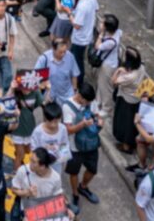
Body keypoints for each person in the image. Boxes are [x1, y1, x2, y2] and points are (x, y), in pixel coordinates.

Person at [63, 80, 103, 212]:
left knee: (92, 170)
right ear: (80, 96)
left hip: (91, 143)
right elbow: (68, 130)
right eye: (87, 102)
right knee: (74, 172)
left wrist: (100, 121)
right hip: (75, 147)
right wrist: (82, 124)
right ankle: (75, 193)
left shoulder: (91, 101)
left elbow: (97, 115)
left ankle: (83, 187)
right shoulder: (67, 106)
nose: (89, 104)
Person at [112, 46, 149, 153]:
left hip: (126, 100)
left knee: (124, 123)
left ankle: (126, 146)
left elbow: (113, 81)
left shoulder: (129, 76)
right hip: (136, 98)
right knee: (131, 123)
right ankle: (130, 143)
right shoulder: (141, 68)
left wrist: (119, 70)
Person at [11, 147, 64, 213]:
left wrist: (67, 209)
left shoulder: (56, 178)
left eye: (33, 162)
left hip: (44, 213)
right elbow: (14, 189)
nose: (30, 164)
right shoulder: (23, 170)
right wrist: (27, 192)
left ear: (42, 166)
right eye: (31, 160)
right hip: (25, 210)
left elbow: (58, 196)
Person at [69, 0, 99, 84]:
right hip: (88, 34)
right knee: (72, 55)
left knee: (78, 61)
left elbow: (77, 26)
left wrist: (70, 15)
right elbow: (96, 9)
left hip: (80, 38)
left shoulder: (82, 6)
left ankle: (79, 81)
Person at [35, 37, 80, 105]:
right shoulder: (43, 59)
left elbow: (74, 75)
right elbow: (35, 78)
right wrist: (44, 85)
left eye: (65, 51)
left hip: (66, 95)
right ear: (53, 49)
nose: (63, 54)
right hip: (50, 96)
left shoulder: (70, 57)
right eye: (60, 52)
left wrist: (74, 91)